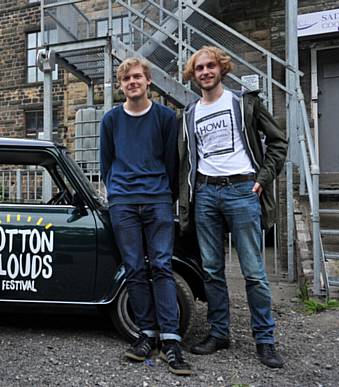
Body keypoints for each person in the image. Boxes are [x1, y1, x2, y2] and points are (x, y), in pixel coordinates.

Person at [178, 46, 287, 368]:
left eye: (211, 66)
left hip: (242, 190)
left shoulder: (244, 102)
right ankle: (219, 333)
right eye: (199, 68)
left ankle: (265, 341)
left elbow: (278, 142)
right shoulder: (189, 113)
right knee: (212, 270)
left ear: (221, 69)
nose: (205, 72)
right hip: (206, 193)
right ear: (193, 74)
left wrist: (263, 178)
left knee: (254, 272)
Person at [100, 58, 192, 376]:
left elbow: (171, 162)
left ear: (148, 81)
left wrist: (160, 193)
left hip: (157, 201)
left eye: (137, 76)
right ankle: (146, 334)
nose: (132, 82)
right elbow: (106, 163)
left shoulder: (166, 118)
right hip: (123, 203)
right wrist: (118, 193)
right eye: (126, 78)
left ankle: (171, 341)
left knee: (162, 267)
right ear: (121, 85)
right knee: (135, 269)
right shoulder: (110, 120)